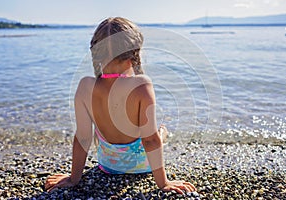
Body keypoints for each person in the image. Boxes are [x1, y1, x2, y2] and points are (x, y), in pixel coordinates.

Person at [45, 17, 196, 195]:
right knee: (159, 132)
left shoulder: (85, 86)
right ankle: (164, 132)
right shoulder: (142, 84)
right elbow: (150, 140)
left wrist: (73, 178)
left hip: (108, 165)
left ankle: (161, 132)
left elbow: (83, 138)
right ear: (134, 53)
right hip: (142, 165)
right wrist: (163, 183)